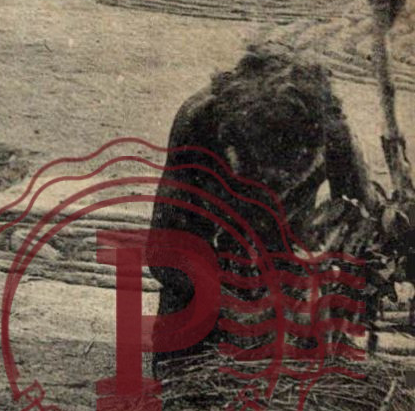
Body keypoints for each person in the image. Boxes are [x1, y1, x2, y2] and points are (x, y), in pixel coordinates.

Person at [147, 45, 369, 382]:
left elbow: (363, 228)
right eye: (258, 174)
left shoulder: (332, 135)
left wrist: (327, 295)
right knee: (185, 355)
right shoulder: (201, 122)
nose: (270, 185)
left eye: (282, 178)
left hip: (284, 244)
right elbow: (165, 249)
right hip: (210, 234)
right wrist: (223, 301)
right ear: (232, 141)